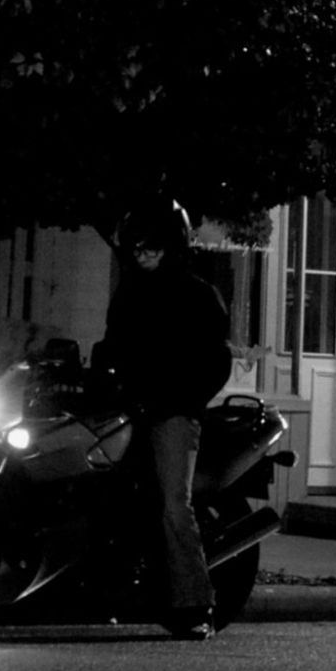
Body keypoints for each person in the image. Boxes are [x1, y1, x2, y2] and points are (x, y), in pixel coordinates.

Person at [100, 197, 234, 640]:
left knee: (174, 503)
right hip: (127, 410)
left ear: (171, 245)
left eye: (151, 247)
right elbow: (111, 348)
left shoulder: (197, 294)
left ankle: (196, 604)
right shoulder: (128, 295)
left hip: (173, 414)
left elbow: (215, 364)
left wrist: (176, 401)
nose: (142, 254)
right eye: (136, 248)